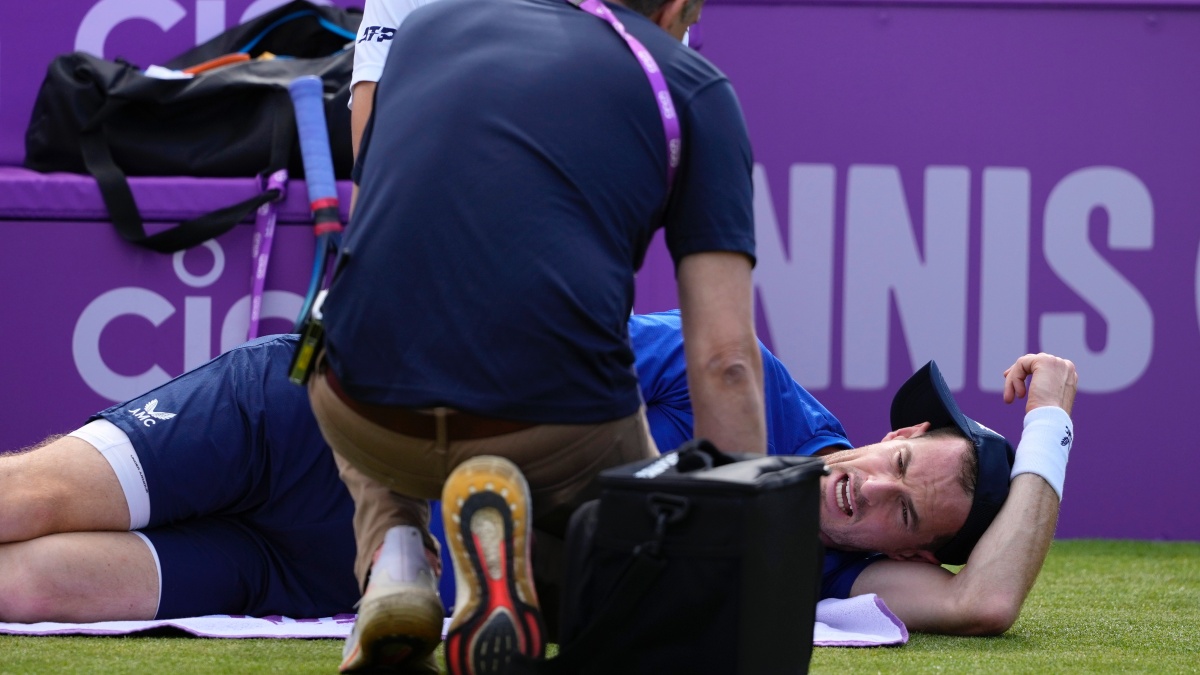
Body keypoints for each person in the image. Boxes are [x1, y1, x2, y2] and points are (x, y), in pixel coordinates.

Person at [0, 313, 1076, 643]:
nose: (870, 486)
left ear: (902, 549)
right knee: (31, 500)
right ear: (891, 428)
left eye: (899, 507)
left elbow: (985, 599)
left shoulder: (820, 579)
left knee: (32, 589)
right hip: (307, 414)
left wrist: (1052, 427)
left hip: (321, 564)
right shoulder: (744, 383)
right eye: (894, 458)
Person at [315, 0, 764, 671]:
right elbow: (725, 360)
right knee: (633, 554)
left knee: (368, 328)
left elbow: (386, 217)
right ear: (673, 10)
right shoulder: (693, 83)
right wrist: (733, 568)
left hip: (362, 413)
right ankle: (508, 575)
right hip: (553, 432)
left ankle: (397, 556)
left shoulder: (428, 28)